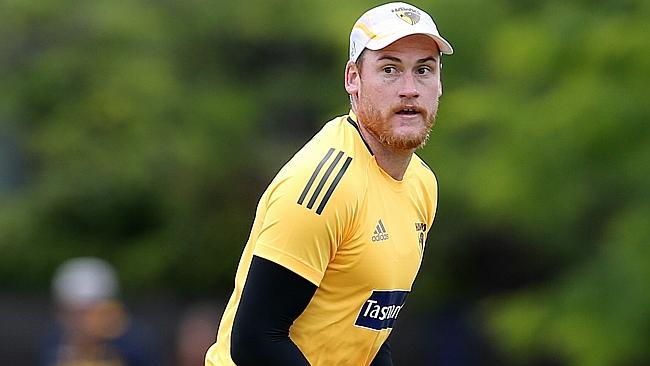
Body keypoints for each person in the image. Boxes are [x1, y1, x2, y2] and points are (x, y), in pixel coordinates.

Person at [204, 2, 453, 365]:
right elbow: (255, 341)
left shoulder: (422, 184)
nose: (409, 89)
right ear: (353, 79)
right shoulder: (325, 183)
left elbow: (367, 332)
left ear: (439, 83)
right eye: (389, 70)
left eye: (424, 70)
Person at [42, 257, 156, 366]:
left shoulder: (133, 344)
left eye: (89, 311)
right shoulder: (53, 342)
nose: (82, 321)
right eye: (73, 313)